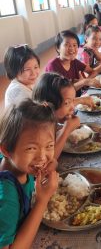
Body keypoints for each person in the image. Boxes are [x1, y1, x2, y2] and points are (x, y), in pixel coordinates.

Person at [0, 99, 58, 248]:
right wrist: (42, 200)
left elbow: (50, 160)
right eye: (31, 148)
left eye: (49, 146)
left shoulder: (17, 164)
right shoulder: (7, 196)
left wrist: (52, 164)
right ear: (6, 150)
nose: (42, 157)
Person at [32, 73, 89, 159]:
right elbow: (49, 159)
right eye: (67, 103)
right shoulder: (38, 128)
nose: (72, 108)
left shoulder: (53, 121)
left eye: (73, 101)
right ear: (49, 105)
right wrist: (67, 129)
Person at [45, 30, 100, 95]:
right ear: (58, 48)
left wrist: (85, 81)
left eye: (74, 45)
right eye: (67, 45)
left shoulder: (74, 61)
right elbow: (62, 93)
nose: (72, 48)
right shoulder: (52, 66)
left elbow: (93, 72)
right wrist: (83, 82)